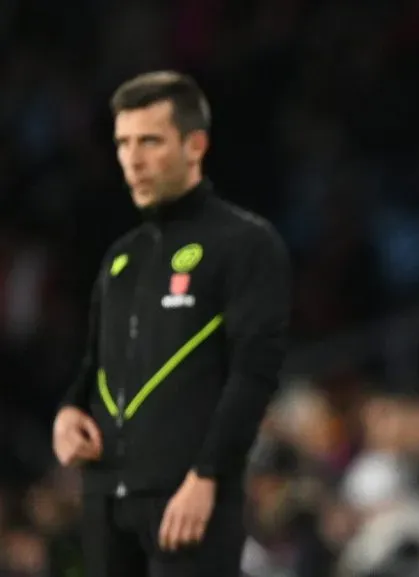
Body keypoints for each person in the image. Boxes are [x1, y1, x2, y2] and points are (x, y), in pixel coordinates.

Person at [51, 70, 291, 577]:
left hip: (186, 501)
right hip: (105, 503)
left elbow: (254, 373)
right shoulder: (121, 257)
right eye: (122, 143)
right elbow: (96, 364)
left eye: (150, 142)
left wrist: (208, 476)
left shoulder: (245, 243)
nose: (132, 160)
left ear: (195, 145)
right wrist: (68, 412)